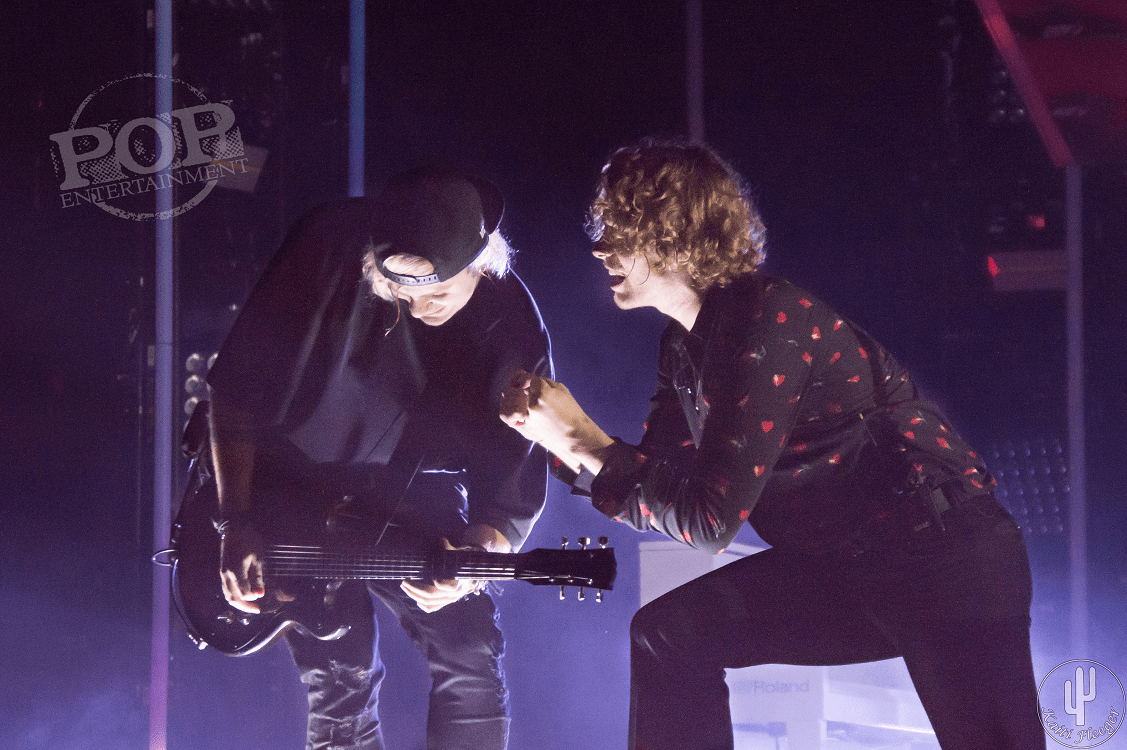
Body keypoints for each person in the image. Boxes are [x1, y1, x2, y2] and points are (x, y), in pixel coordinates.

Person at [500, 140, 1044, 750]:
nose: (600, 247)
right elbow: (659, 486)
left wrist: (582, 438)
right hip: (846, 567)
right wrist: (558, 440)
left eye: (620, 229)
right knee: (668, 635)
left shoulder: (766, 317)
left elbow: (709, 522)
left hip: (943, 558)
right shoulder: (683, 347)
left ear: (678, 237)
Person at [207, 165, 553, 750]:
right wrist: (234, 518)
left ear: (481, 264)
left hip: (417, 487)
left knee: (468, 649)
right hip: (293, 480)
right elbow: (235, 387)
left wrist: (476, 558)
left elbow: (513, 478)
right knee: (339, 678)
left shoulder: (512, 322)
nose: (417, 309)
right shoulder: (325, 245)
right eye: (402, 293)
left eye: (436, 294)